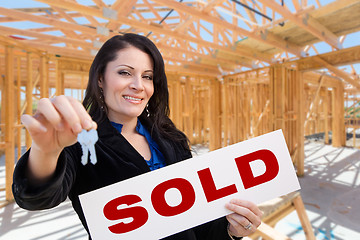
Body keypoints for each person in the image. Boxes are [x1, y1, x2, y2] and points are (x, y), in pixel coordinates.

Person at [12, 33, 262, 240]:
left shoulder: (170, 138)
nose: (138, 85)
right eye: (124, 72)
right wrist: (46, 151)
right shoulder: (80, 143)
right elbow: (36, 198)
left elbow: (197, 221)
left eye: (147, 76)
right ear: (100, 78)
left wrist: (230, 231)